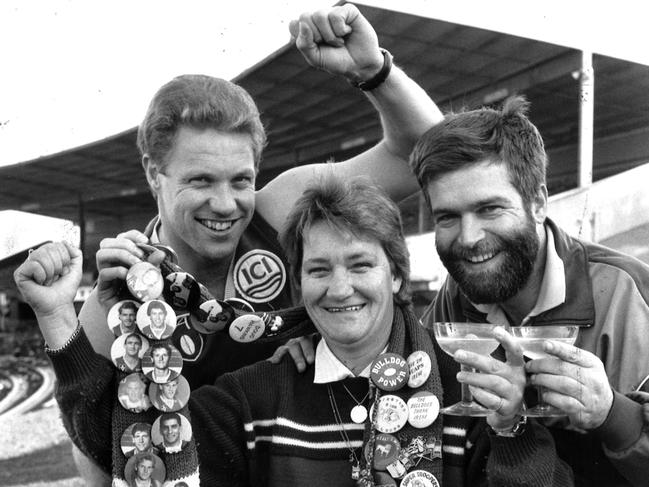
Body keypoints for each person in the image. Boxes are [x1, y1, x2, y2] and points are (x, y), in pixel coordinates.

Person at [74, 6, 443, 482]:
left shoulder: (281, 209)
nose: (226, 204)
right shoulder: (120, 300)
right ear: (152, 173)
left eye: (241, 180)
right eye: (201, 180)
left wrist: (372, 71)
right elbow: (99, 456)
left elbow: (427, 149)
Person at [14, 175, 573, 486]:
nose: (339, 288)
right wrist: (58, 318)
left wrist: (513, 433)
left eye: (360, 265)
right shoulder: (254, 394)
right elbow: (132, 451)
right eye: (318, 269)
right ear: (298, 283)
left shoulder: (469, 390)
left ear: (398, 274)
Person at [408, 95, 649, 487]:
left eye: (490, 209)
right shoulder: (455, 296)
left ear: (538, 203)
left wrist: (612, 415)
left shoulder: (627, 292)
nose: (469, 239)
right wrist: (300, 345)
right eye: (448, 217)